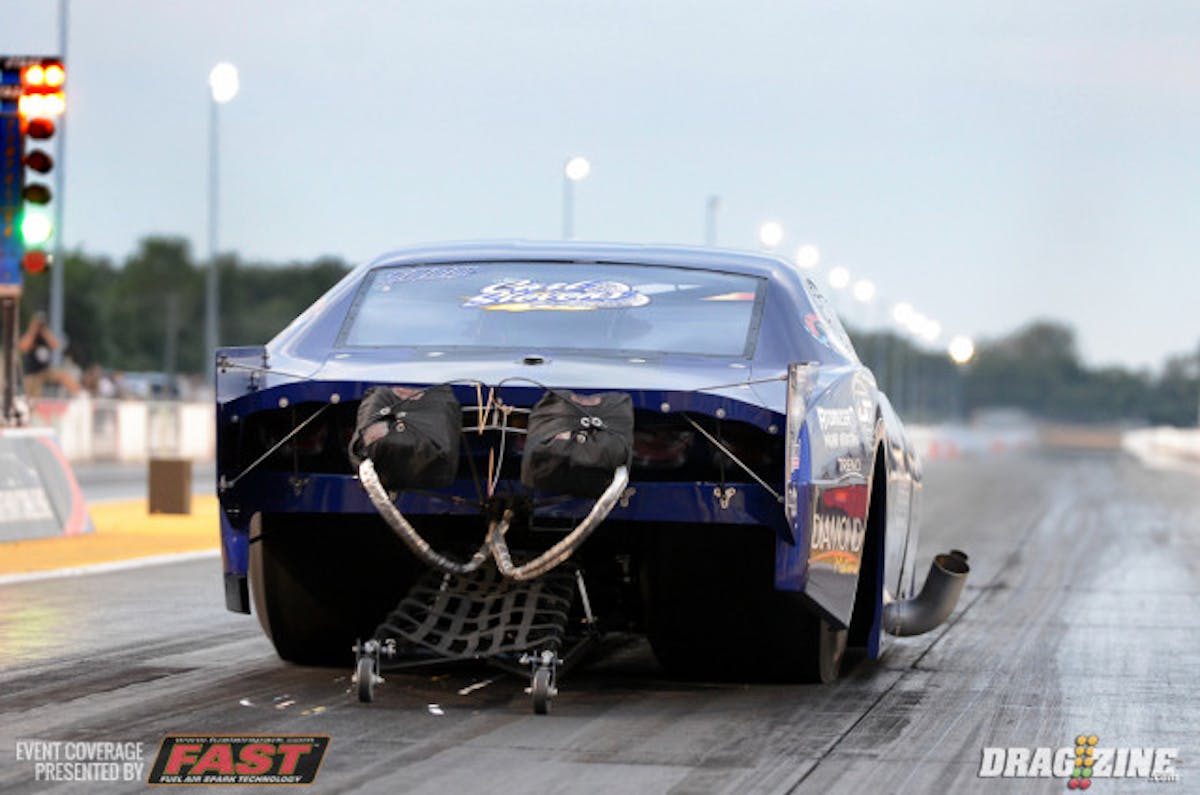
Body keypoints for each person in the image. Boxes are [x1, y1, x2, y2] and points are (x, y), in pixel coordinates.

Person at [17, 312, 80, 397]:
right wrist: (33, 331)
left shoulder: (46, 335)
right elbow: (23, 347)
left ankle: (79, 394)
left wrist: (45, 332)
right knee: (34, 395)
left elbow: (56, 345)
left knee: (63, 376)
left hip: (45, 370)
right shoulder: (30, 335)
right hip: (32, 372)